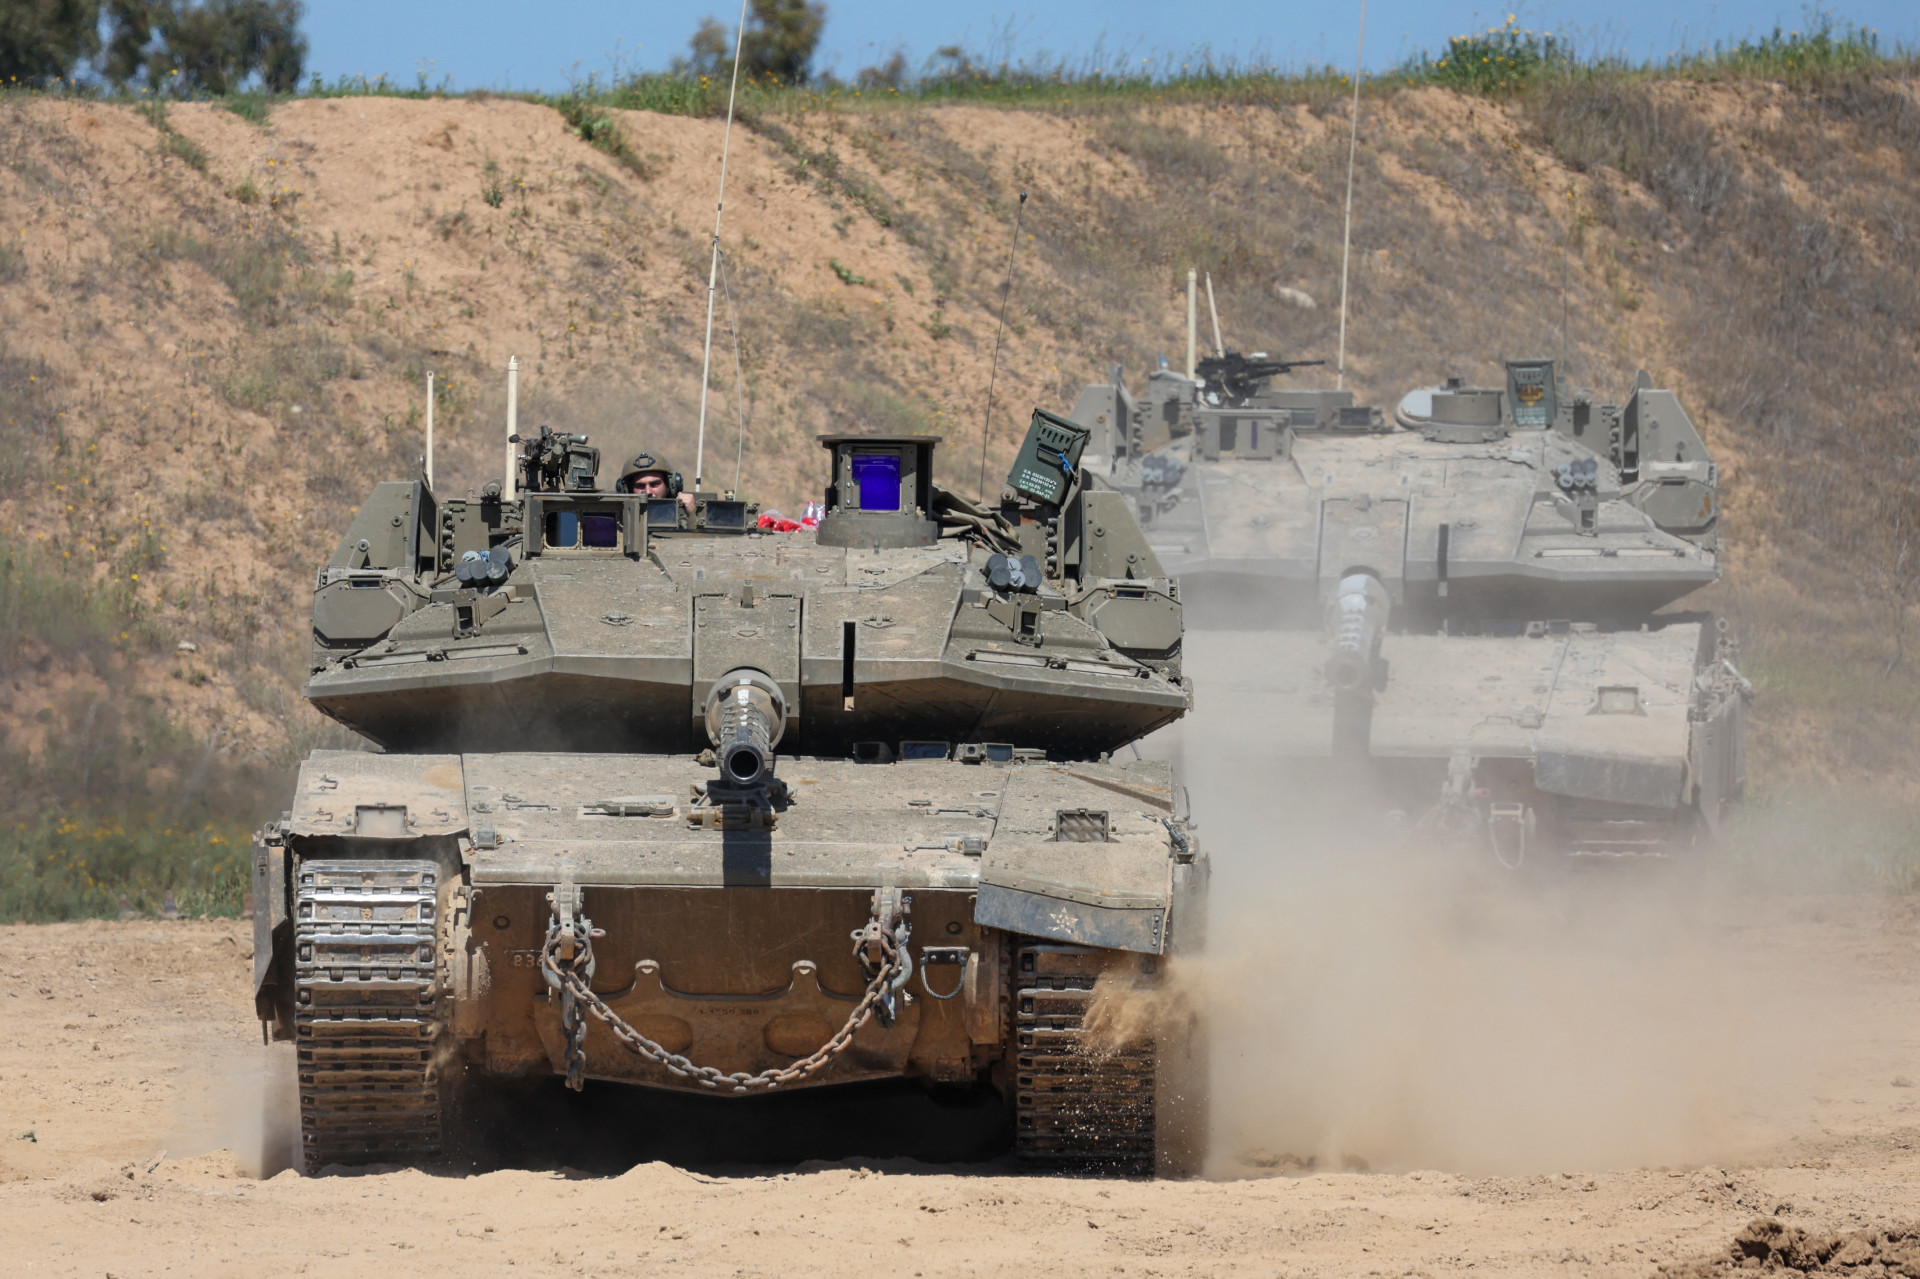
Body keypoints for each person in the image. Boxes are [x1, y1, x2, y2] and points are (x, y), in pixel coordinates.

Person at [616, 452, 697, 517]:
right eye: (641, 486)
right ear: (628, 490)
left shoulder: (682, 514)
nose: (648, 492)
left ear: (669, 485)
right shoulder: (619, 519)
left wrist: (693, 514)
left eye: (654, 484)